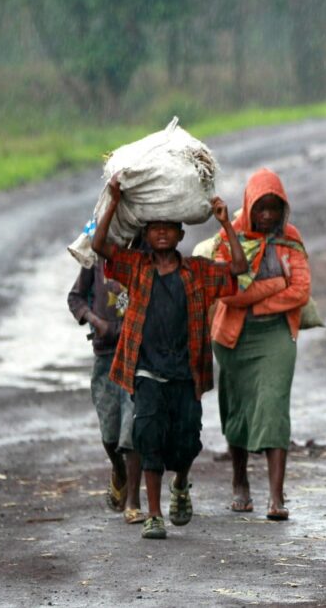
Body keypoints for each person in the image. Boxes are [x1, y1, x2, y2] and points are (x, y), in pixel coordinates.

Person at [90, 173, 248, 539]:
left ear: (180, 235)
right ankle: (154, 515)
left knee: (187, 441)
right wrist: (114, 199)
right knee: (148, 438)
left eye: (169, 229)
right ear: (146, 236)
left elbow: (238, 269)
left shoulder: (196, 272)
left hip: (186, 374)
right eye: (155, 229)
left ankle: (182, 485)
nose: (161, 234)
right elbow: (100, 246)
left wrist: (225, 222)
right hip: (146, 372)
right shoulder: (137, 268)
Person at [210, 168, 310, 522]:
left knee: (273, 405)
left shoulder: (290, 238)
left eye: (274, 208)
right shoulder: (230, 236)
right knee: (236, 408)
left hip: (276, 335)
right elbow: (228, 294)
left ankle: (276, 496)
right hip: (234, 336)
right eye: (261, 208)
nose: (267, 215)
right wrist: (273, 286)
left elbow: (300, 290)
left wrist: (258, 300)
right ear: (249, 206)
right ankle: (240, 482)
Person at [67, 252, 145, 524]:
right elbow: (75, 298)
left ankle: (133, 501)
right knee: (110, 432)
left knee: (132, 426)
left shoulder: (146, 256)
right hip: (106, 355)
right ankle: (119, 471)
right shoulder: (96, 259)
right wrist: (96, 321)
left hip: (138, 353)